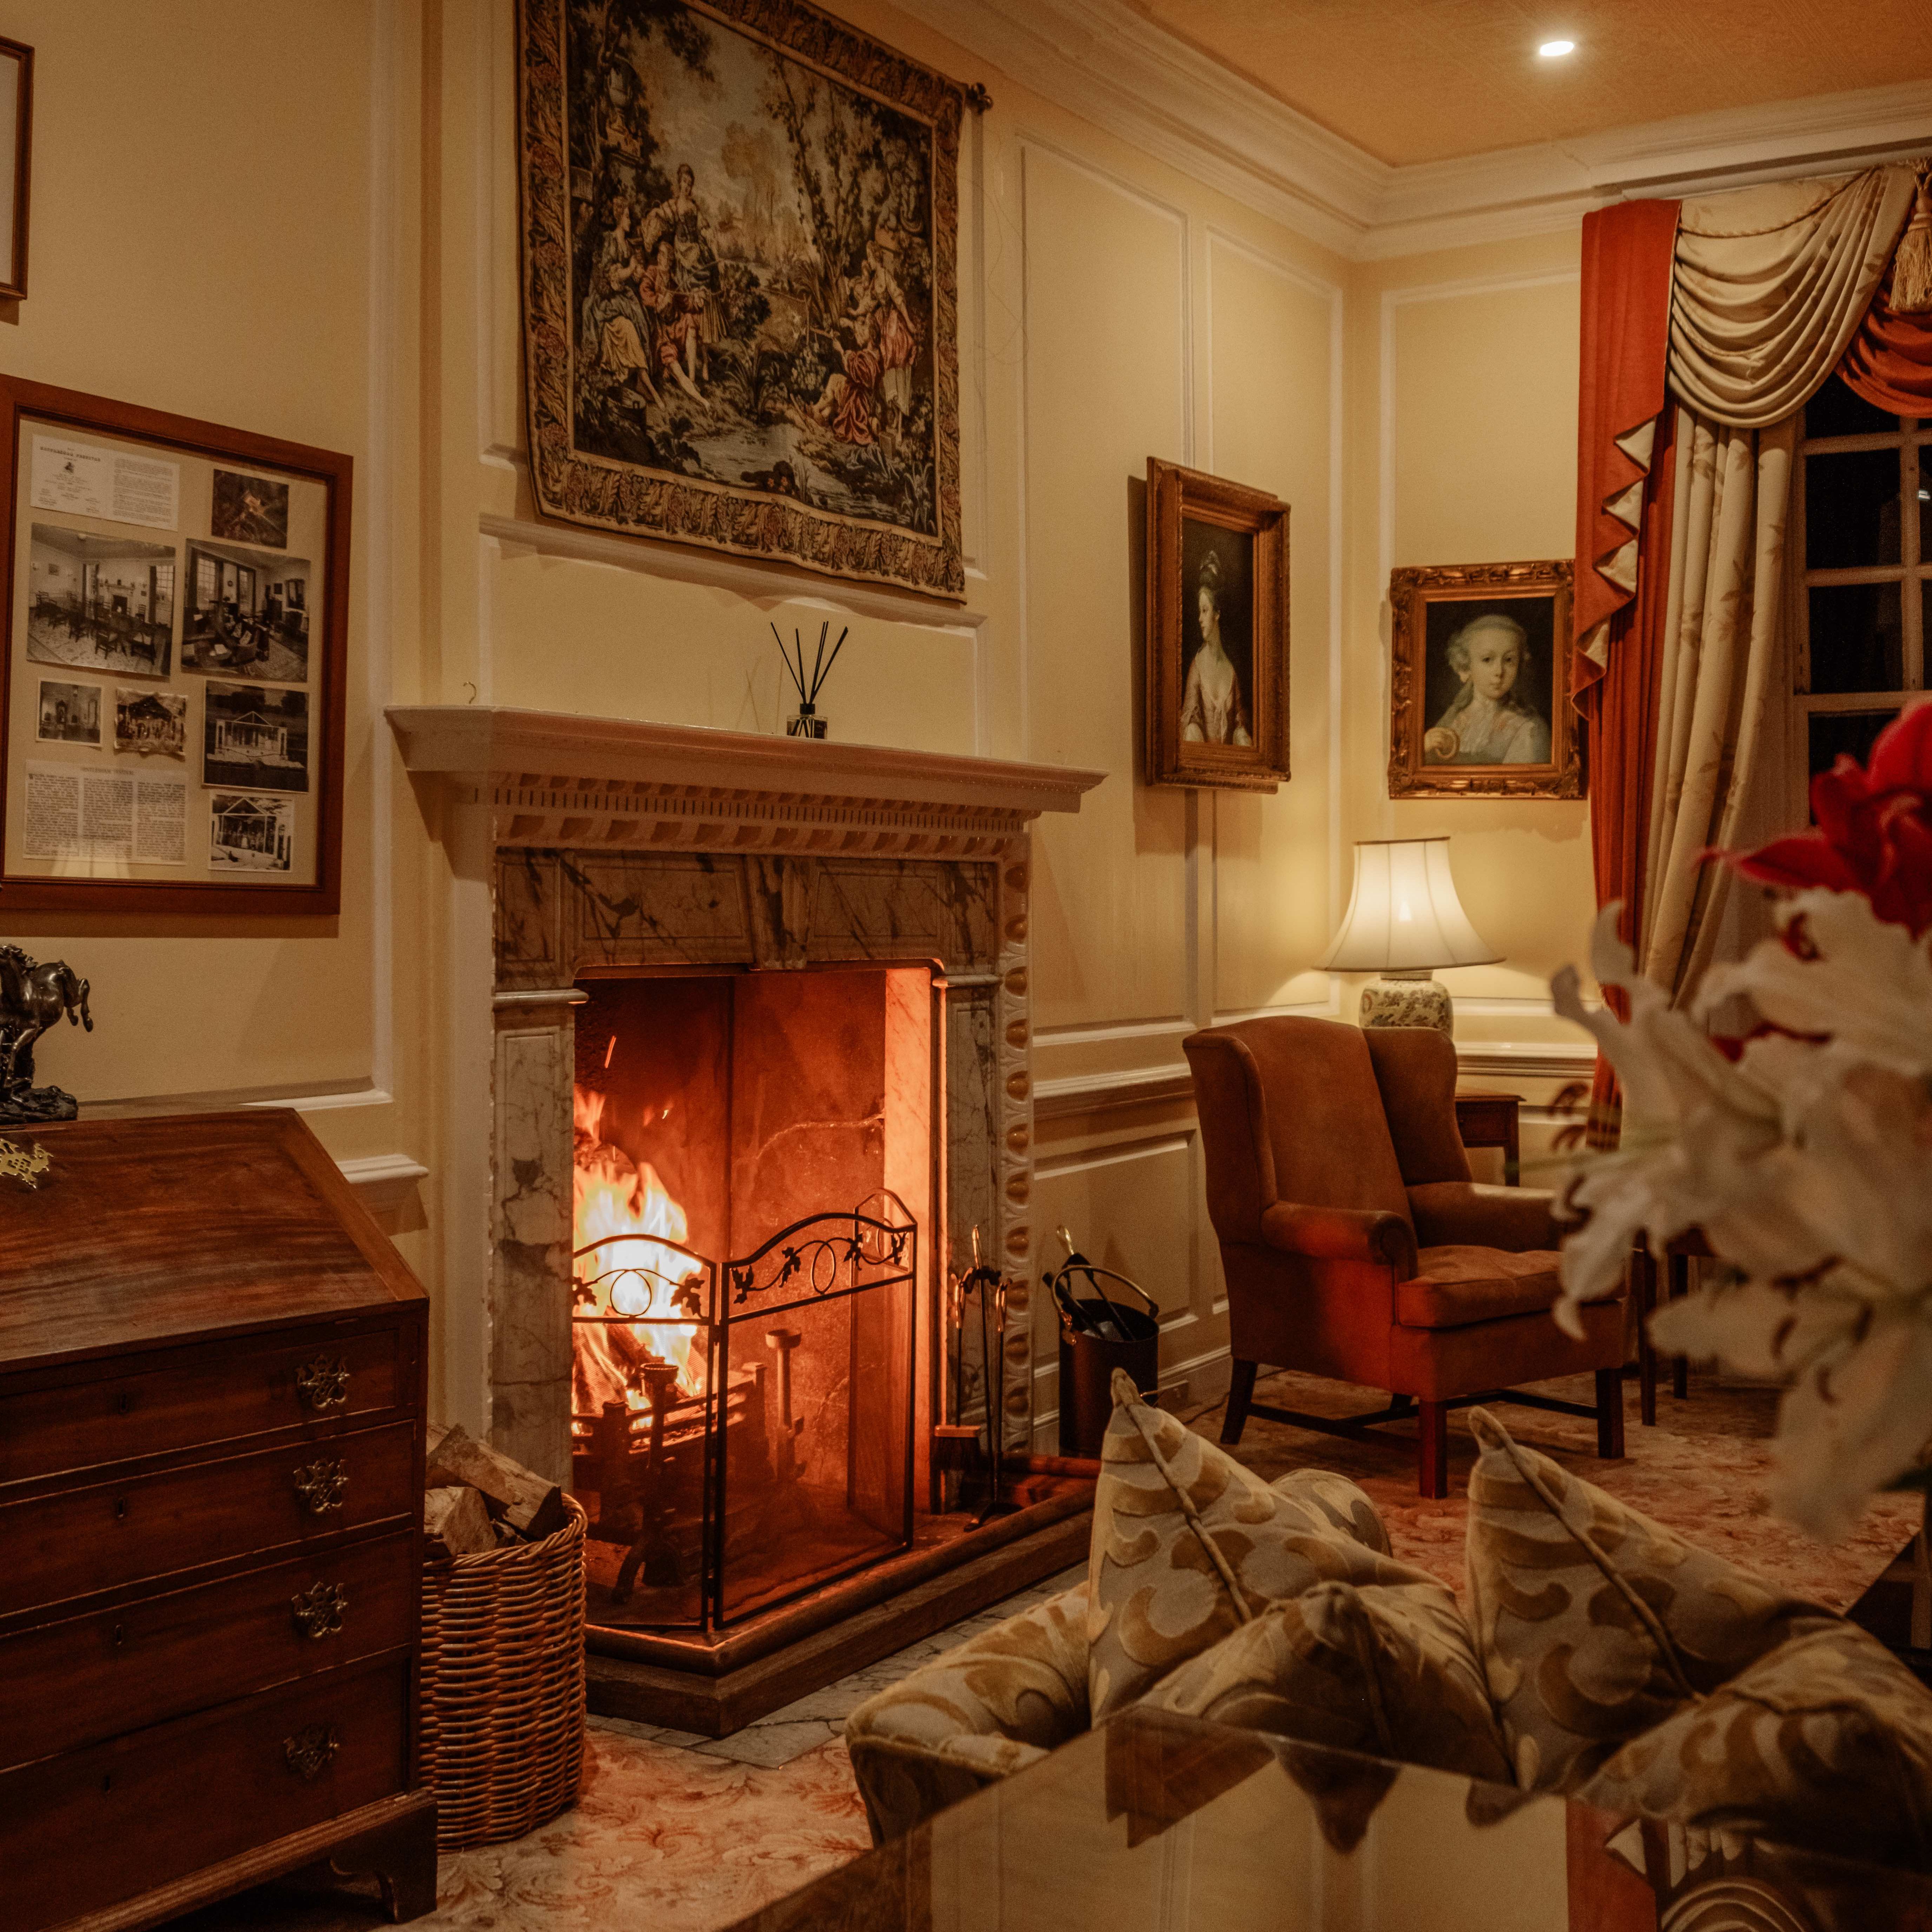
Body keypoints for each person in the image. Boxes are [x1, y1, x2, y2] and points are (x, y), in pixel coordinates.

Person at [1423, 612, 1550, 764]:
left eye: (1509, 660)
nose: (1499, 671)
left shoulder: (1529, 728)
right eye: (1487, 660)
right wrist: (1425, 748)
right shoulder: (1453, 718)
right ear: (1465, 668)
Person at [580, 198, 662, 408]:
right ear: (618, 218)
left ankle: (642, 381)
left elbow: (632, 276)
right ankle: (644, 384)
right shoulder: (608, 240)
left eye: (630, 217)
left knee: (641, 322)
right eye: (627, 217)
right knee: (628, 328)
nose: (630, 221)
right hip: (606, 301)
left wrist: (638, 273)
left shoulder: (628, 246)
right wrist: (630, 269)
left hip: (622, 298)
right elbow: (611, 276)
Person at [641, 164, 719, 384]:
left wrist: (708, 233)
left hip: (696, 257)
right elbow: (661, 214)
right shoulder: (674, 205)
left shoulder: (694, 207)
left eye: (690, 184)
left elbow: (703, 226)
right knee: (684, 305)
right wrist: (653, 214)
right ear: (679, 183)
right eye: (685, 182)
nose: (687, 187)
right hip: (682, 261)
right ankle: (683, 353)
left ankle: (704, 360)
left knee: (701, 306)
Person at [1178, 549, 1251, 746]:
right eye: (1199, 611)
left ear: (1217, 614)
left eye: (1205, 611)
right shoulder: (1197, 669)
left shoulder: (1231, 672)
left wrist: (1242, 738)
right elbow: (1189, 731)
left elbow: (1240, 730)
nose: (1200, 619)